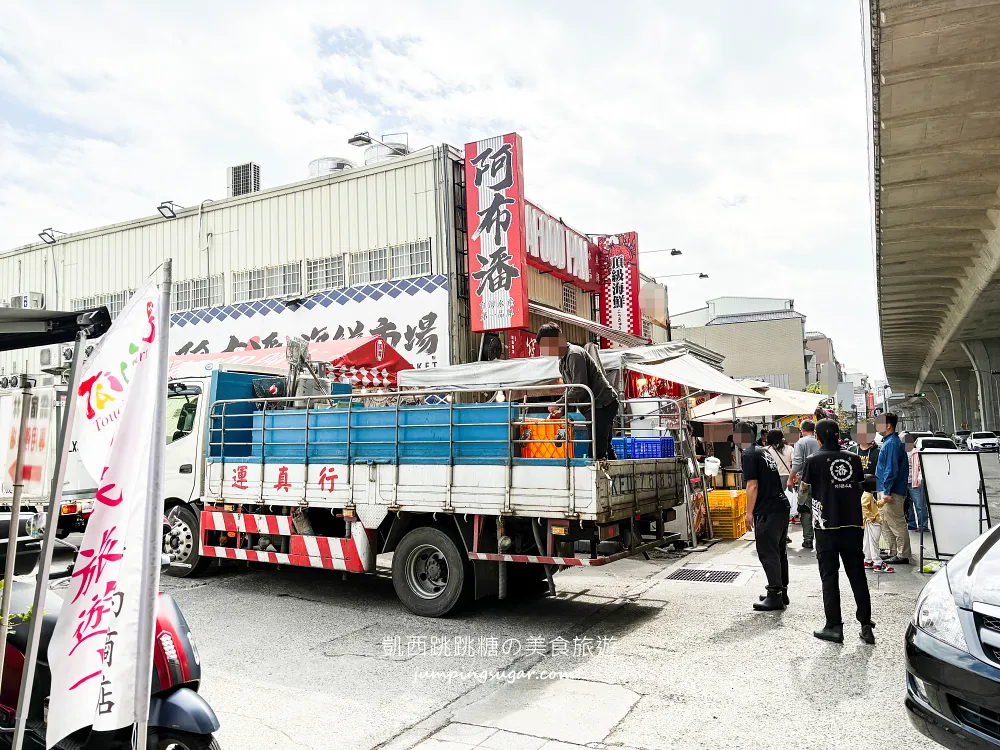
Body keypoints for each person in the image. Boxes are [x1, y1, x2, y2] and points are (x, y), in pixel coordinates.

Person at [799, 418, 875, 644]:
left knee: (829, 577)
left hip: (826, 527)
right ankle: (866, 626)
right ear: (838, 435)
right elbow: (861, 485)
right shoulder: (853, 459)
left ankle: (834, 626)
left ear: (818, 437)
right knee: (857, 575)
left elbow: (803, 493)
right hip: (852, 524)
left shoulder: (813, 460)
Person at [536, 323, 619, 460]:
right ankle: (615, 478)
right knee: (603, 447)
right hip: (593, 407)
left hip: (602, 404)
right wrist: (561, 411)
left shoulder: (575, 354)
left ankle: (601, 477)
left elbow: (579, 388)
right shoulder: (562, 362)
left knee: (596, 451)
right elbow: (573, 391)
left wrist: (558, 403)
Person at [737, 422, 790, 611]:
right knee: (779, 551)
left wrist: (749, 512)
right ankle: (781, 591)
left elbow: (752, 485)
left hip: (768, 509)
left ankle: (775, 594)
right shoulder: (762, 451)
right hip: (781, 506)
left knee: (768, 552)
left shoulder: (749, 454)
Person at [874, 412, 910, 564]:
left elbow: (891, 469)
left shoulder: (892, 444)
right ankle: (894, 551)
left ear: (888, 425)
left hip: (891, 491)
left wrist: (887, 491)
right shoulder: (889, 442)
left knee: (896, 523)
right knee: (886, 522)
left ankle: (903, 554)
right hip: (885, 489)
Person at [788, 419, 820, 550]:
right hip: (821, 480)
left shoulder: (801, 442)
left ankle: (808, 539)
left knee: (805, 509)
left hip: (805, 480)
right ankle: (821, 538)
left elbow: (797, 463)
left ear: (802, 430)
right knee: (820, 508)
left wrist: (791, 478)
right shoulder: (820, 440)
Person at [861, 476, 893, 573]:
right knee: (874, 542)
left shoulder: (868, 495)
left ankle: (868, 560)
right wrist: (873, 518)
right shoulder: (868, 496)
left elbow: (874, 505)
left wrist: (883, 501)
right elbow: (865, 508)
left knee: (868, 542)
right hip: (873, 523)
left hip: (869, 522)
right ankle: (878, 563)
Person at [765, 428, 795, 514]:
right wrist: (794, 476)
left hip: (770, 478)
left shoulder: (765, 450)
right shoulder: (789, 449)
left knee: (772, 501)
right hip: (787, 478)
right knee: (786, 500)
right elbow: (795, 463)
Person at [908, 437, 930, 533]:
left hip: (915, 482)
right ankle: (911, 524)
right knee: (908, 505)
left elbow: (922, 466)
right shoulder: (899, 452)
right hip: (903, 482)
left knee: (920, 505)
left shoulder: (916, 452)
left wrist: (920, 478)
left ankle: (923, 526)